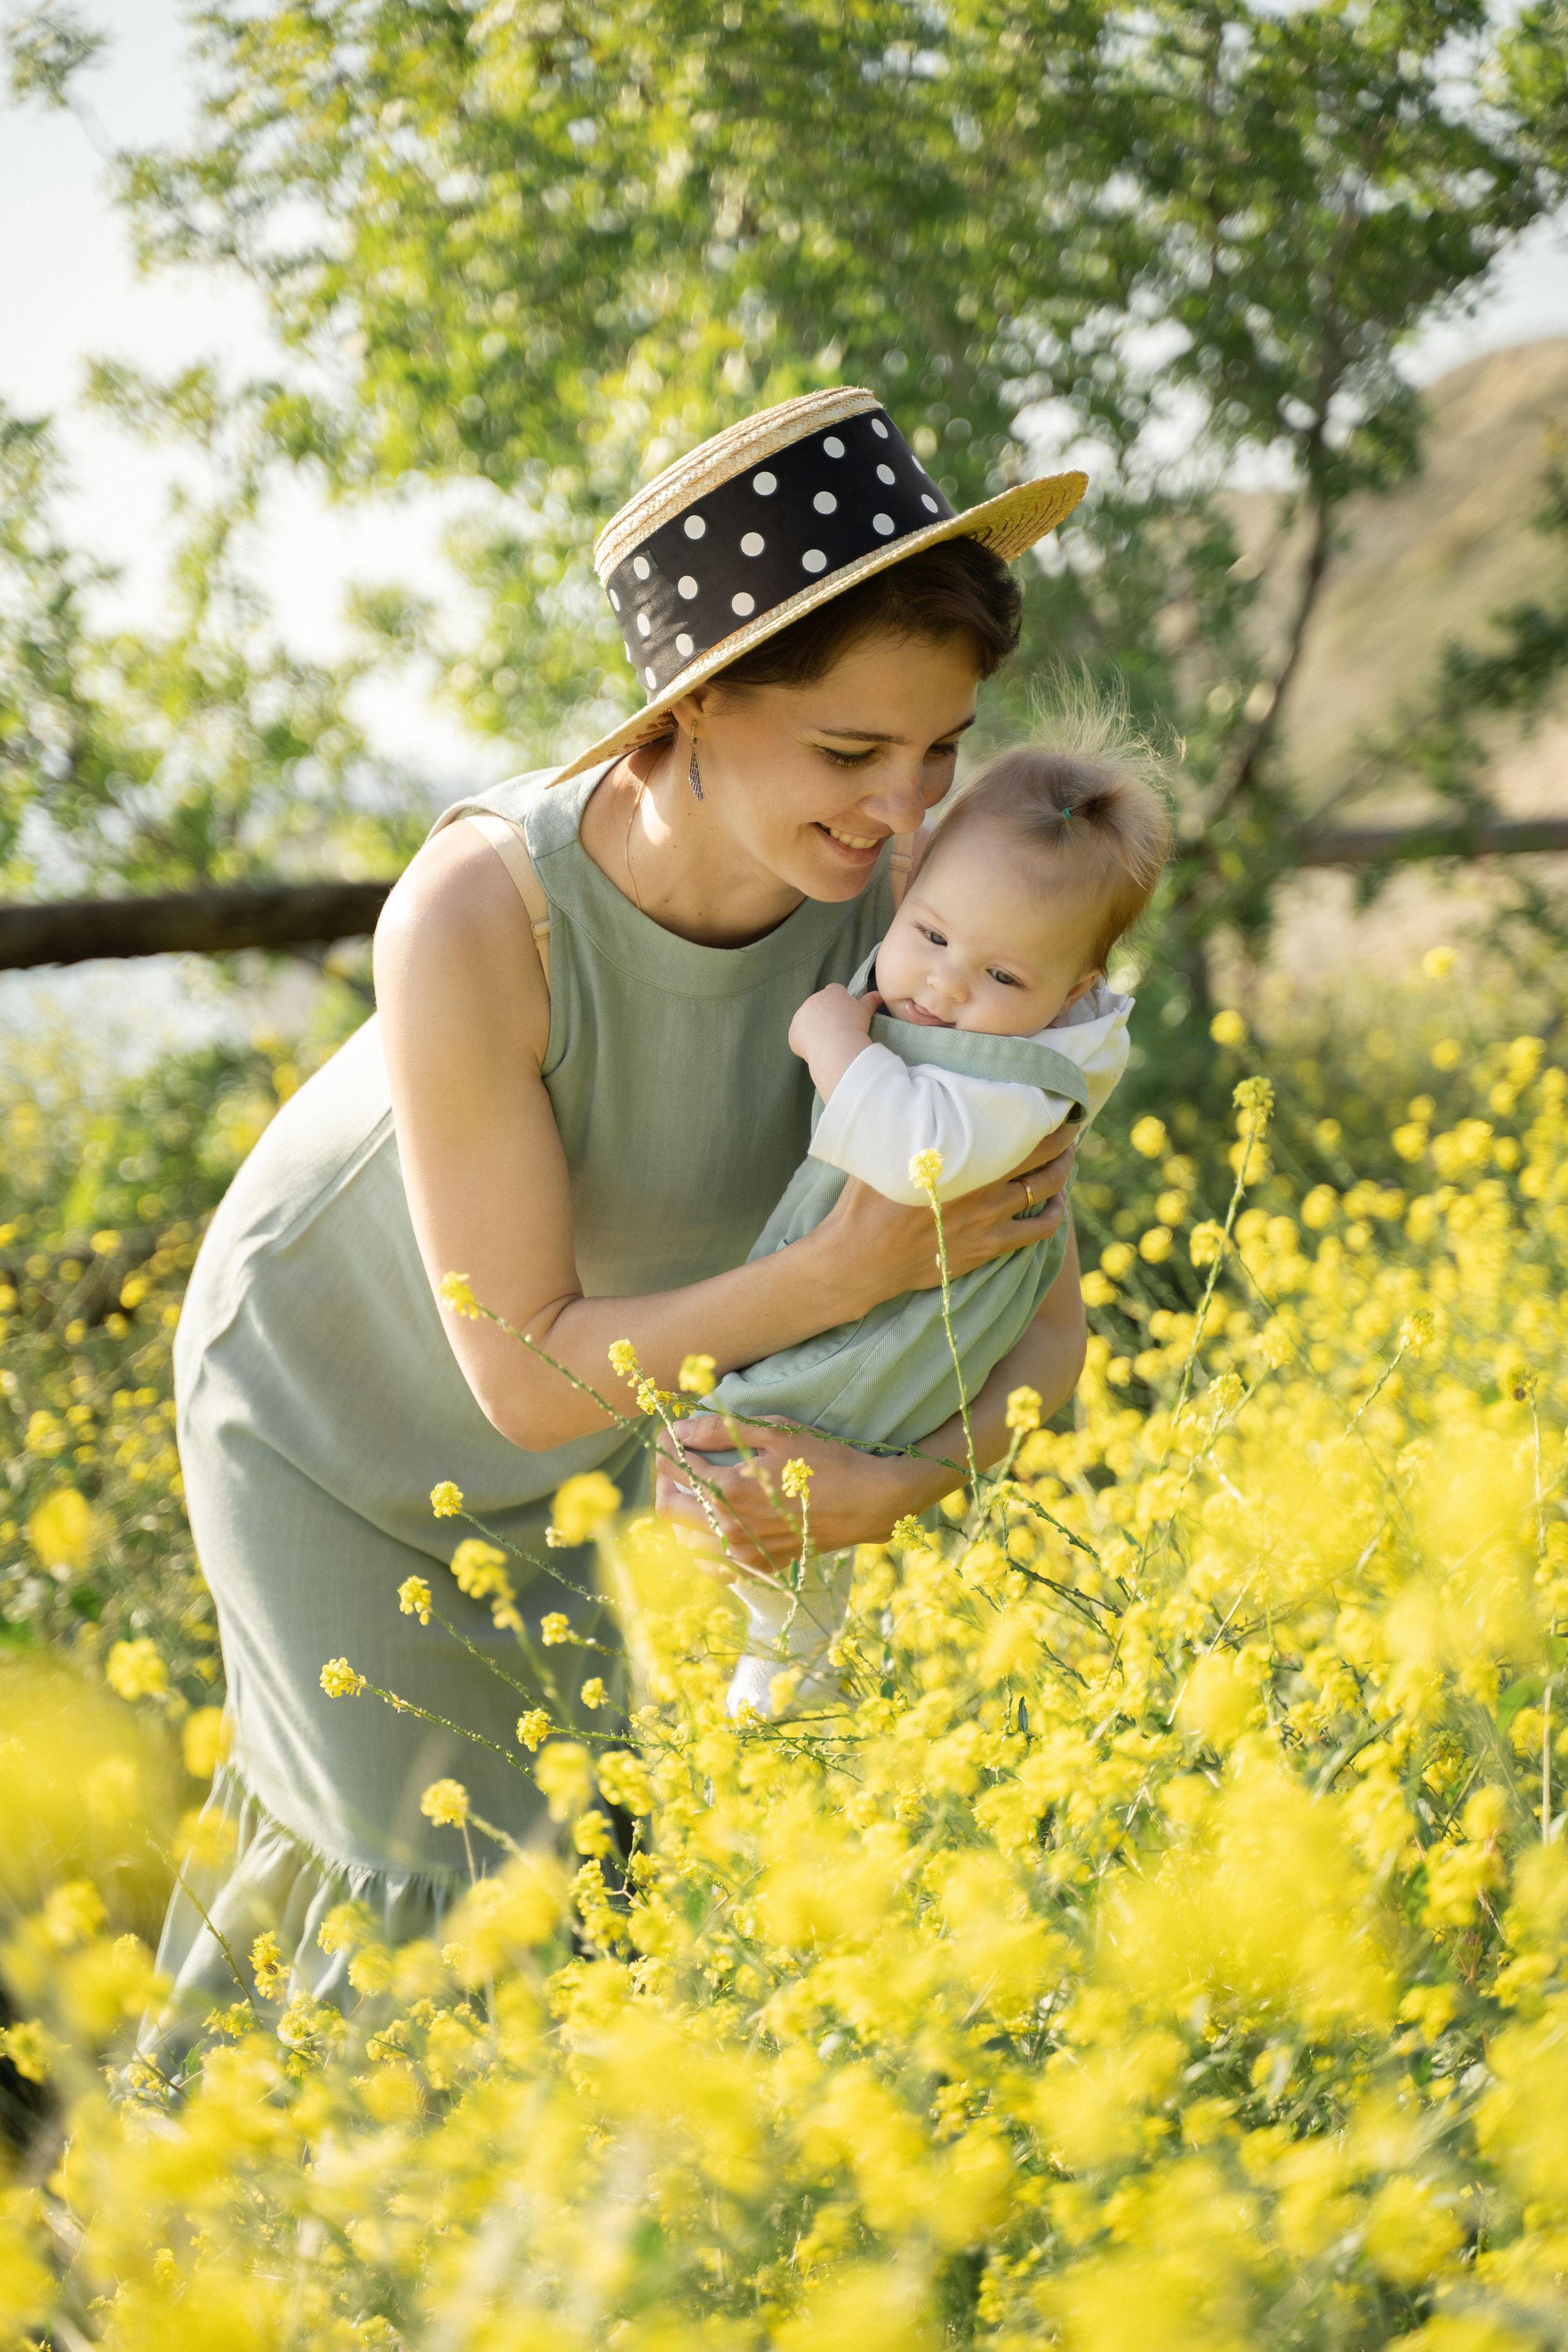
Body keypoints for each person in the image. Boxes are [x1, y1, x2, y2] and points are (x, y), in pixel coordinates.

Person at [156, 387, 1092, 2015]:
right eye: (853, 752)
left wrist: (904, 1484)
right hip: (325, 1413)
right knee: (411, 1895)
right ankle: (166, 2237)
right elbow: (518, 1373)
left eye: (941, 749)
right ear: (697, 709)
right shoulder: (477, 911)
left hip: (595, 1433)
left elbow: (1043, 1314)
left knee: (570, 1887)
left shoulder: (923, 910)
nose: (909, 812)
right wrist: (846, 1273)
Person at [699, 724, 1170, 1719]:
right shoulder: (954, 995)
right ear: (905, 892)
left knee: (782, 1553)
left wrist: (834, 1042)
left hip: (887, 1356)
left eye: (1004, 977)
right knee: (747, 1533)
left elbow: (921, 1158)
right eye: (932, 936)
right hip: (846, 1329)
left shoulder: (1024, 1082)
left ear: (1072, 995)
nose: (948, 987)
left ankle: (778, 1717)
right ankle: (763, 1711)